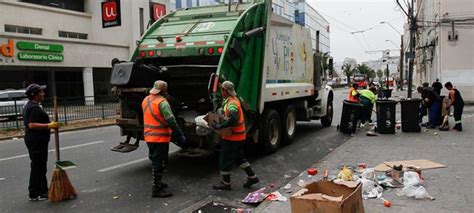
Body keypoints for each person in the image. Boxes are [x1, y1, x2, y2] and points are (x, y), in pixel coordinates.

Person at [211, 81, 259, 190]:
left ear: (225, 91)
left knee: (224, 159)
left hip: (232, 138)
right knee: (239, 158)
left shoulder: (232, 104)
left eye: (222, 90)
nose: (220, 92)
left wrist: (219, 126)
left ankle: (225, 183)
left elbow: (233, 118)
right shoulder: (232, 100)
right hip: (238, 136)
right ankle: (252, 177)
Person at [141, 80, 186, 198]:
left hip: (149, 137)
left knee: (156, 160)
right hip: (160, 138)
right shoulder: (163, 103)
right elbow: (171, 120)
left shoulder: (146, 100)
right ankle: (156, 189)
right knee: (159, 162)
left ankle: (159, 183)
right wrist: (179, 134)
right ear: (164, 90)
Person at [23, 84, 59, 201]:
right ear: (35, 95)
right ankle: (35, 193)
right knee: (38, 167)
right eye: (41, 92)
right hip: (36, 141)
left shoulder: (31, 105)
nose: (43, 94)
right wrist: (49, 125)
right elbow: (31, 125)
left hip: (35, 140)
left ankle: (42, 190)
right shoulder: (33, 108)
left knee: (39, 166)